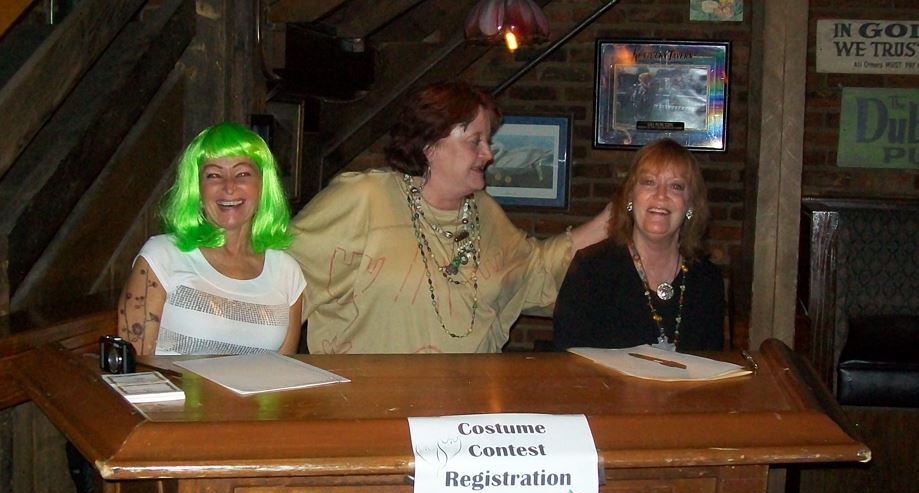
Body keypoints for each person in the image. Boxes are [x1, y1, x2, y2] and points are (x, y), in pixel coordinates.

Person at [287, 80, 610, 354]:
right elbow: (279, 279)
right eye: (474, 141)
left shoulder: (483, 212)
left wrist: (615, 216)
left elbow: (534, 272)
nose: (488, 154)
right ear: (430, 144)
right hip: (371, 400)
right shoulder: (364, 199)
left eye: (487, 141)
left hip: (468, 402)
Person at [117, 122, 305, 356]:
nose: (229, 187)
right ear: (196, 189)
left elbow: (282, 371)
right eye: (214, 175)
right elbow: (134, 368)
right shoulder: (161, 256)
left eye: (242, 173)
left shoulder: (287, 271)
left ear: (263, 186)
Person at [553, 137, 725, 353]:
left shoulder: (707, 279)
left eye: (676, 186)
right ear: (630, 196)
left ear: (690, 204)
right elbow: (568, 361)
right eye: (649, 182)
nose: (661, 196)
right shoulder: (590, 269)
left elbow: (711, 362)